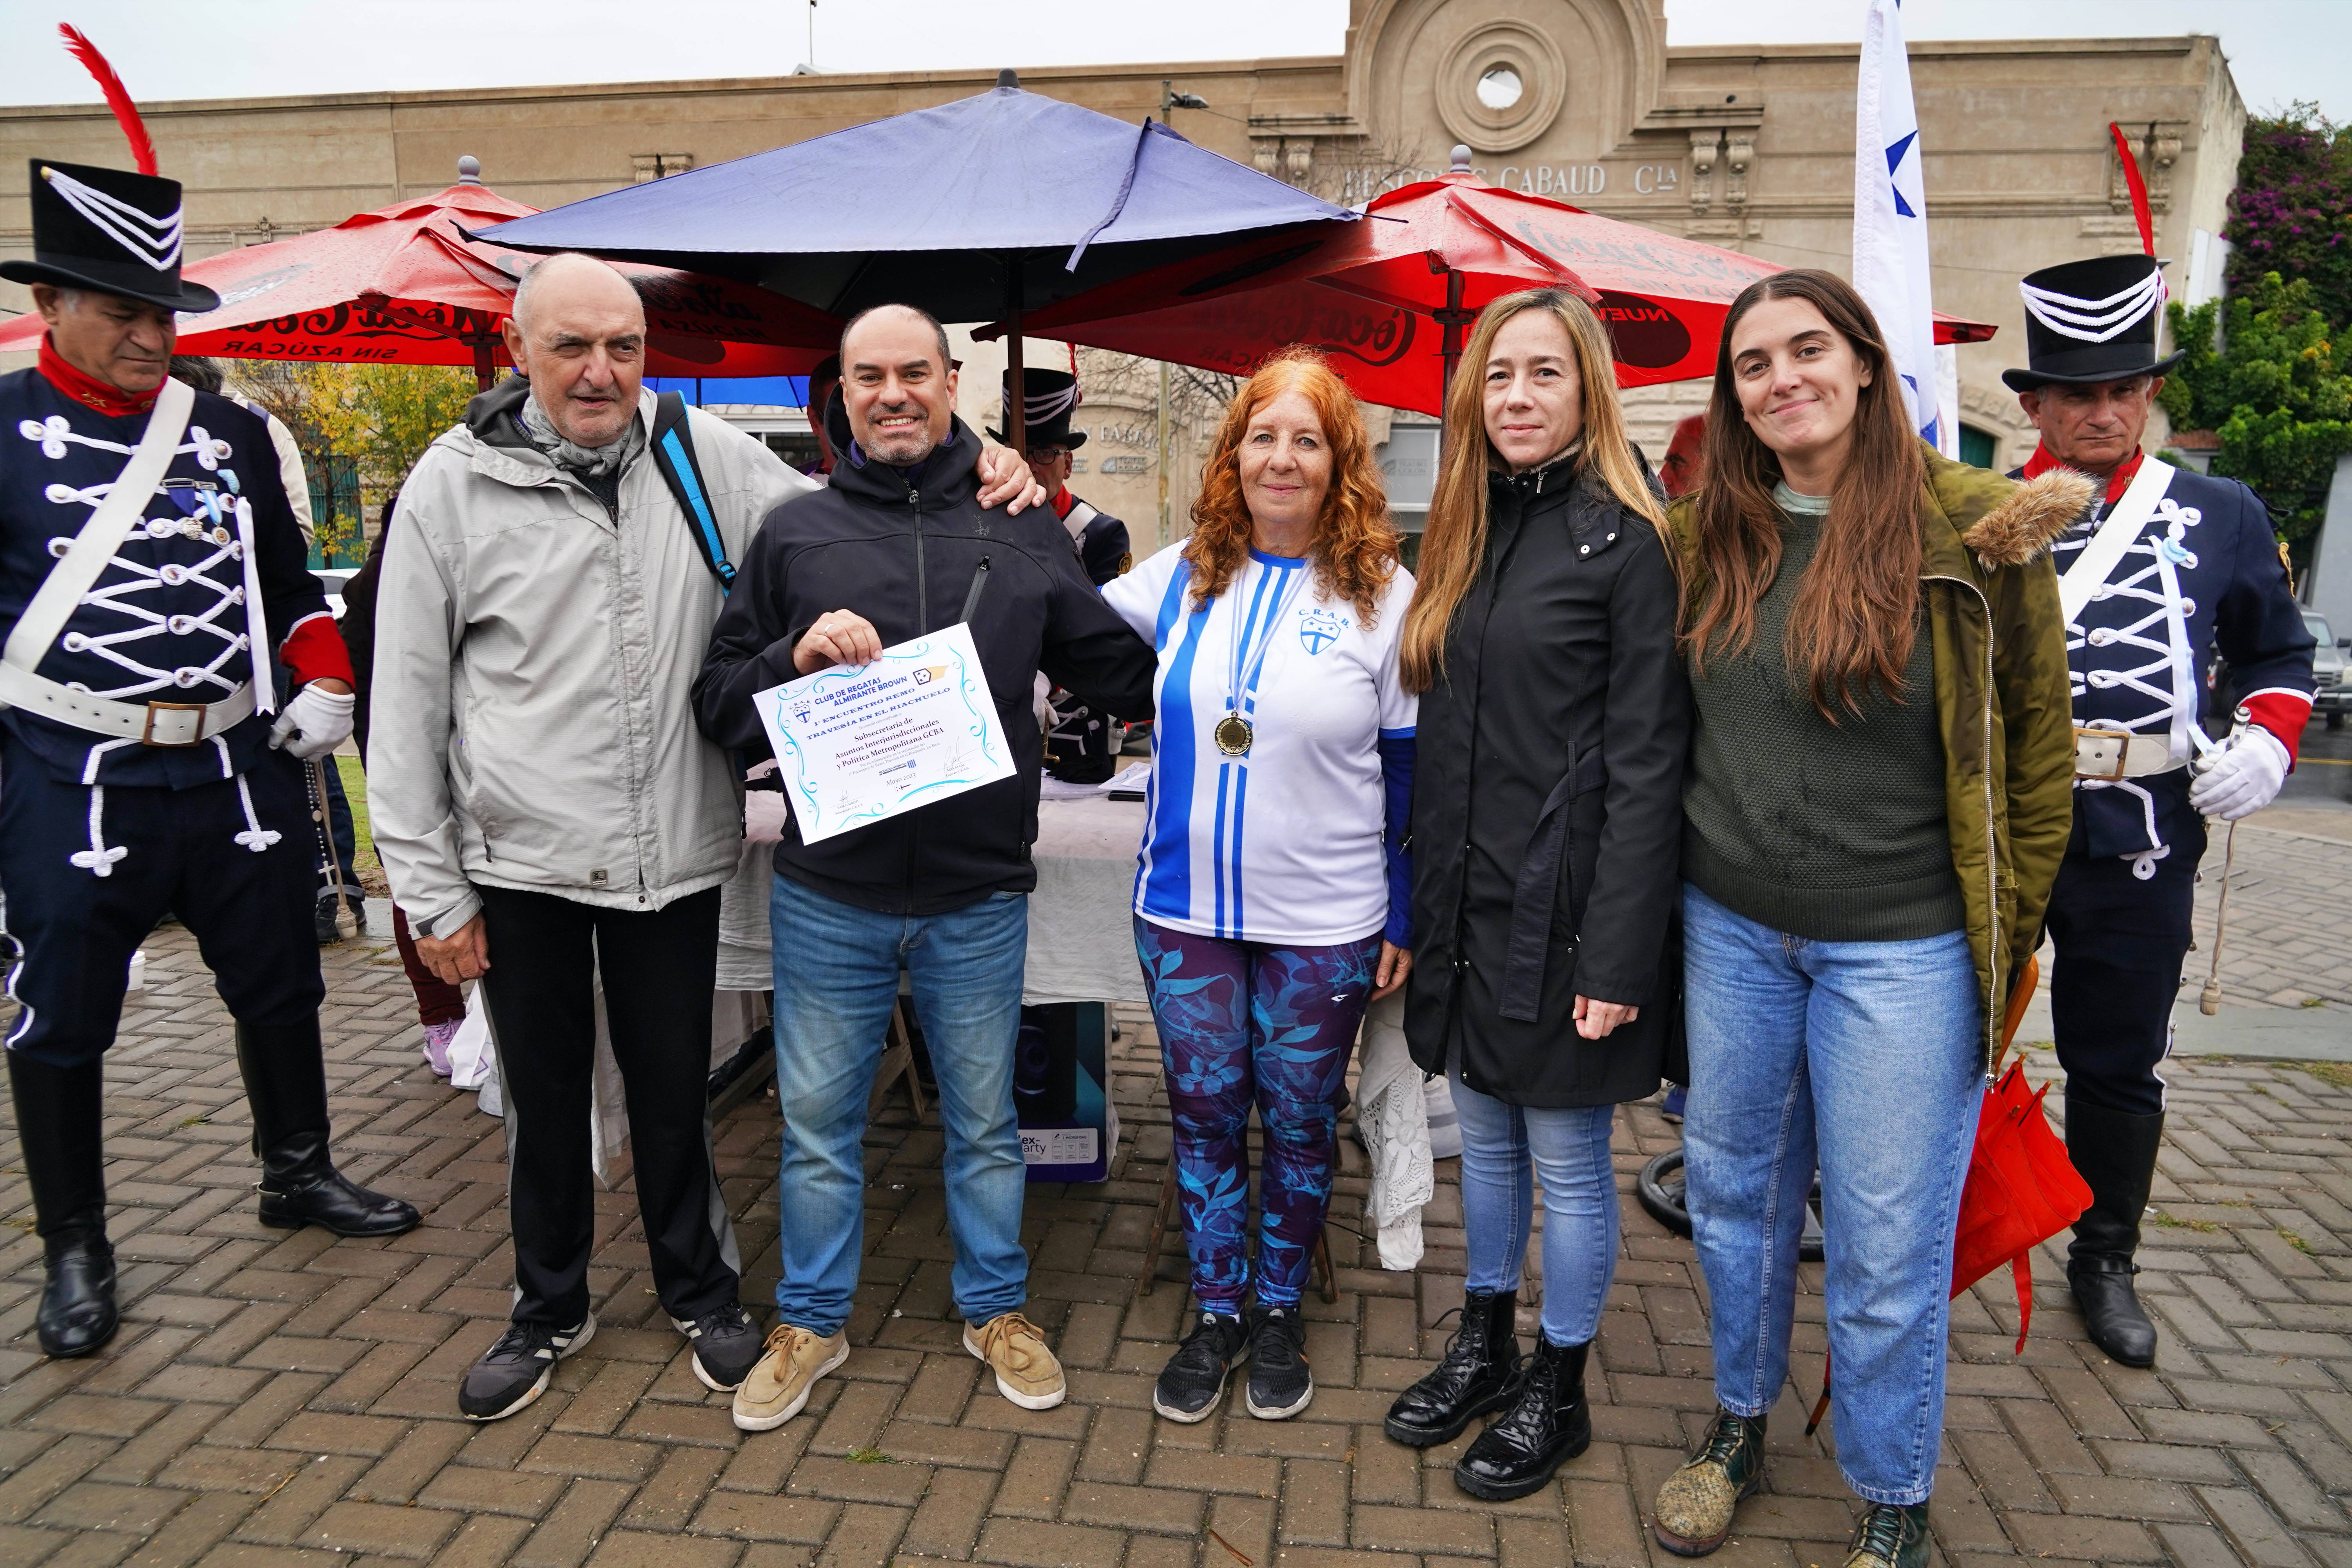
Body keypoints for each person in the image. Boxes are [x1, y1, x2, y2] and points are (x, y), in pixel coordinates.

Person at [374, 256, 1041, 1422]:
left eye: (624, 348)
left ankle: (700, 1292)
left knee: (676, 1089)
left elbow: (861, 507)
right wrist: (433, 894)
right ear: (520, 350)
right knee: (542, 1097)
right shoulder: (452, 485)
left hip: (673, 852)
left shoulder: (701, 456)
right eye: (573, 348)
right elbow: (405, 705)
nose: (600, 372)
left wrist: (977, 452)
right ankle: (549, 1307)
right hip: (520, 858)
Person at [1646, 269, 2079, 1568]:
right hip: (1730, 931)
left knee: (1887, 1241)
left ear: (1863, 359)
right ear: (1731, 396)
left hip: (1907, 950)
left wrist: (2006, 940)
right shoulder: (1703, 533)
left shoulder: (1978, 529)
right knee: (1731, 1197)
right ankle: (1738, 1423)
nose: (1782, 380)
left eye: (1807, 350)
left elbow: (2041, 762)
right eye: (1753, 363)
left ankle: (1891, 1486)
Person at [694, 303, 1157, 1434]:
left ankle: (995, 1306)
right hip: (829, 893)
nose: (893, 393)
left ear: (952, 383)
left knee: (988, 1122)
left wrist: (1066, 530)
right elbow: (716, 707)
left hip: (977, 892)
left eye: (914, 373)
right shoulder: (794, 535)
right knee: (817, 1124)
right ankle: (812, 1317)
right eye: (869, 377)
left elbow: (1122, 675)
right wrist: (790, 659)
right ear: (838, 396)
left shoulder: (1017, 523)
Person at [0, 159, 419, 1360]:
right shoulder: (0, 432)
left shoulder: (231, 431)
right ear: (53, 308)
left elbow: (291, 589)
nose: (148, 335)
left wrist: (326, 676)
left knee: (283, 984)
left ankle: (298, 1171)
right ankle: (76, 1244)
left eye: (163, 313)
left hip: (233, 763)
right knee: (61, 1019)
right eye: (122, 312)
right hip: (68, 773)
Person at [1382, 289, 1689, 1498]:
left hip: (1569, 919)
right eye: (1499, 375)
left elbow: (1650, 764)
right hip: (1471, 906)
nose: (1517, 396)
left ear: (1588, 391)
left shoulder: (1629, 543)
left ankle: (1557, 1388)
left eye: (1544, 375)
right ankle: (1487, 1343)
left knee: (1568, 1164)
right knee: (1492, 1154)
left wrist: (1616, 960)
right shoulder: (1461, 536)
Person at [2003, 253, 2317, 1369]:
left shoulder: (2218, 510)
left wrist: (2270, 742)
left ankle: (2106, 1254)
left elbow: (2281, 652)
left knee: (2119, 1057)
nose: (2102, 410)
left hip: (2143, 831)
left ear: (2148, 394)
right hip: (2001, 823)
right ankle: (1924, 1230)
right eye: (2076, 392)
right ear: (2034, 403)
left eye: (2123, 388)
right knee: (1939, 1042)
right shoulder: (1983, 508)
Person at [1098, 348, 1412, 1425]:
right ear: (1235, 454)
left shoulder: (1385, 593)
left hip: (1325, 920)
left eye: (1307, 439)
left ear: (1340, 462)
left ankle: (1280, 1307)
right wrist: (1011, 491)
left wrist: (1403, 913)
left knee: (1299, 1119)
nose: (1282, 458)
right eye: (1262, 436)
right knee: (1200, 1113)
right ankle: (1218, 1308)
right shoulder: (1182, 571)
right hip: (1184, 912)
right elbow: (1063, 622)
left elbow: (1412, 768)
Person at [334, 488, 467, 1074]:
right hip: (409, 755)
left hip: (474, 753)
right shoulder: (375, 589)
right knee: (417, 879)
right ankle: (441, 1019)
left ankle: (457, 1020)